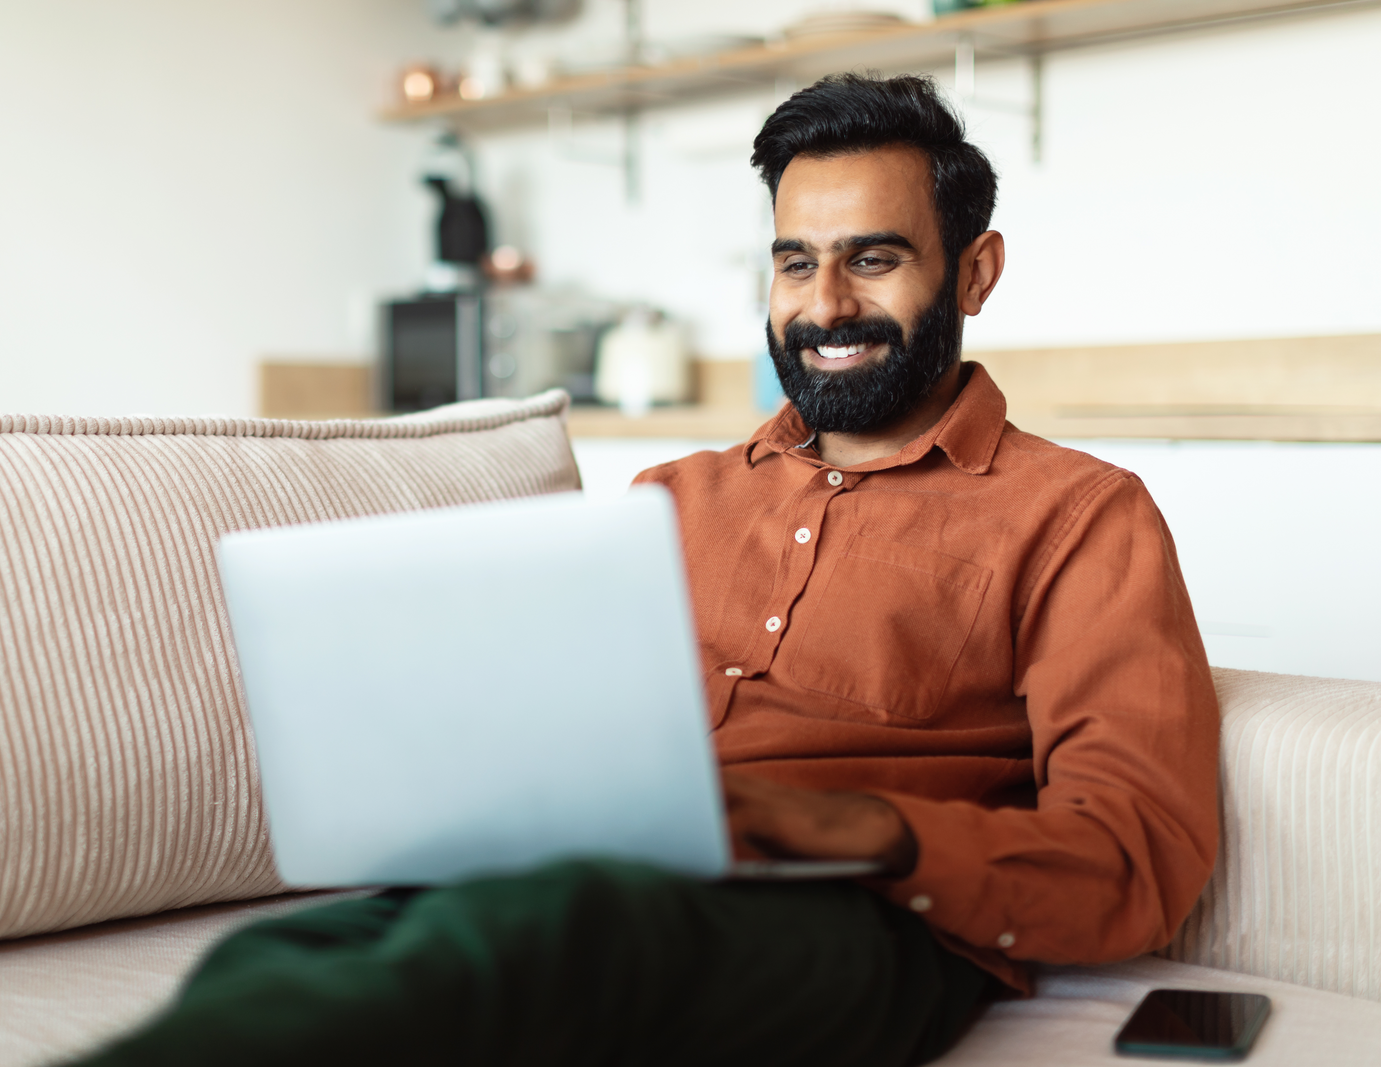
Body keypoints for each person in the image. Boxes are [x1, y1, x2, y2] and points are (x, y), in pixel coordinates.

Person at [71, 73, 1219, 1067]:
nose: (824, 307)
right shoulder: (671, 499)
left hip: (858, 919)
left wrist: (844, 825)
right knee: (288, 946)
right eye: (795, 263)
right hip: (601, 878)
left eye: (873, 260)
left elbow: (1135, 852)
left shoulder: (1077, 515)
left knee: (554, 934)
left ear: (974, 271)